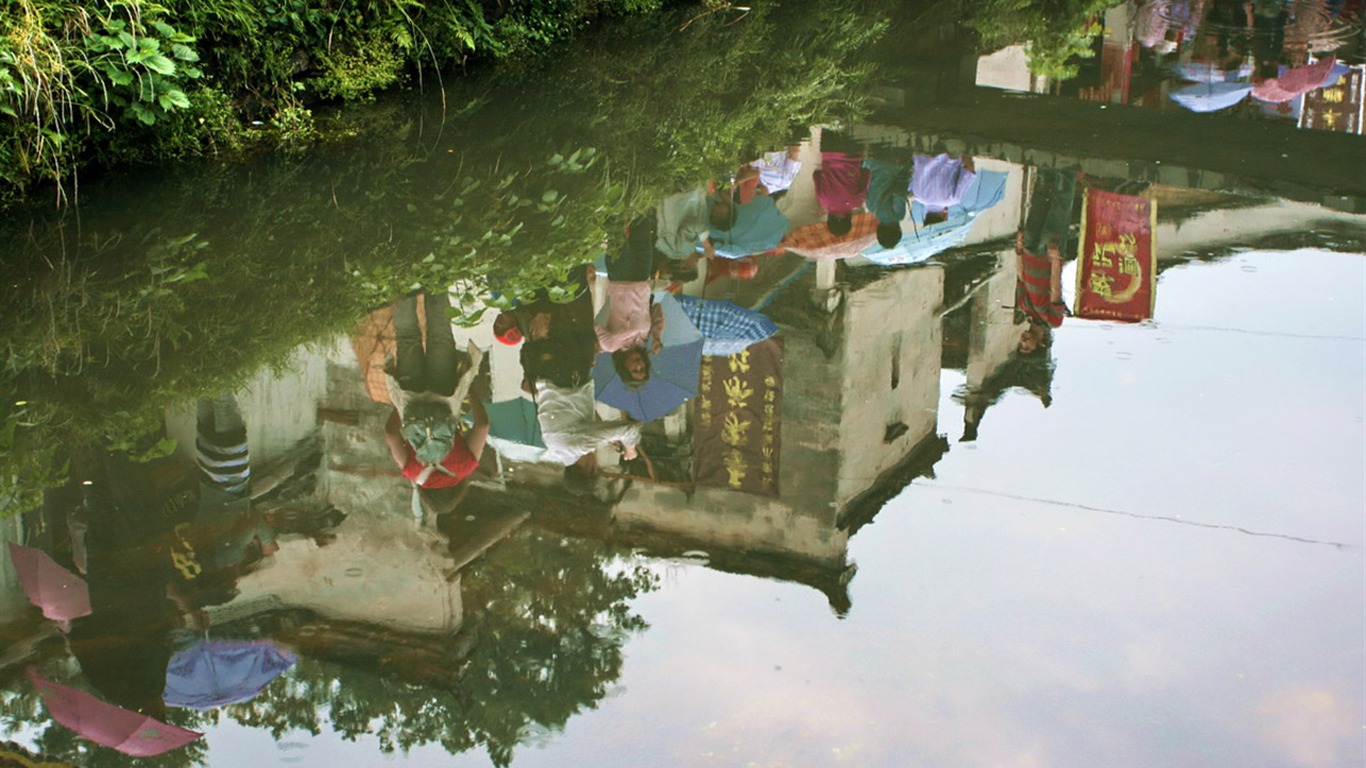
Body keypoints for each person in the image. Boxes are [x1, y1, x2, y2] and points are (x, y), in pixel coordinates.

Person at [382, 291, 488, 489]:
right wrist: (401, 407)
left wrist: (469, 391)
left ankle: (435, 278)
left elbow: (482, 426)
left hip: (445, 393)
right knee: (406, 337)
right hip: (410, 397)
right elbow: (391, 434)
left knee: (440, 336)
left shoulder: (465, 467)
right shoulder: (412, 472)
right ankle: (402, 281)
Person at [1015, 169, 1079, 354]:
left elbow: (1021, 277)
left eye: (1021, 345)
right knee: (1060, 206)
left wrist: (1019, 249)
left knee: (1039, 200)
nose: (1023, 342)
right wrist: (1055, 260)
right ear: (1041, 344)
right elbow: (1055, 289)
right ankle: (1069, 169)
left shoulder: (1024, 308)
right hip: (1047, 257)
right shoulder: (1053, 321)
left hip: (1029, 251)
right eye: (1027, 347)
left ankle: (1046, 165)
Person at [813, 144, 869, 236]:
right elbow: (816, 174)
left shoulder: (857, 202)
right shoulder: (823, 200)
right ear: (829, 219)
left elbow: (866, 173)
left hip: (854, 152)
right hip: (828, 151)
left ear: (849, 220)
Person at [864, 155, 912, 249]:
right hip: (873, 163)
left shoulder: (898, 216)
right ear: (879, 230)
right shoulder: (871, 208)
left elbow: (899, 194)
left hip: (894, 164)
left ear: (898, 230)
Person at [911, 153, 977, 218]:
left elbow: (969, 168)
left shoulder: (954, 199)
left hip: (951, 150)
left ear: (945, 216)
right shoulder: (916, 195)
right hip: (923, 149)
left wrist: (962, 151)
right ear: (926, 216)